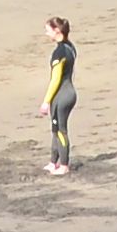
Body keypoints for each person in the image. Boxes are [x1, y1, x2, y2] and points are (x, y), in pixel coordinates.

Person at [41, 15, 78, 175]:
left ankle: (63, 165)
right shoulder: (70, 47)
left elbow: (55, 79)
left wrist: (46, 101)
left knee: (60, 130)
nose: (46, 34)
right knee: (55, 128)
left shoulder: (59, 52)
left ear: (57, 31)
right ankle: (53, 162)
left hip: (62, 95)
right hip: (68, 91)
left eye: (48, 31)